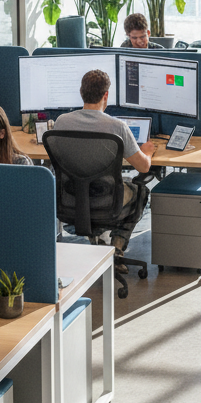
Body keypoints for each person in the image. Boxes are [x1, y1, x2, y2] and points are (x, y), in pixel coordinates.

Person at [52, 69, 156, 263]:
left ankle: (100, 242)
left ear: (81, 92)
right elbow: (143, 167)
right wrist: (148, 151)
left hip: (71, 198)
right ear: (106, 95)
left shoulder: (61, 122)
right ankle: (116, 246)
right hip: (106, 201)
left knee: (111, 185)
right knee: (140, 190)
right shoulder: (117, 127)